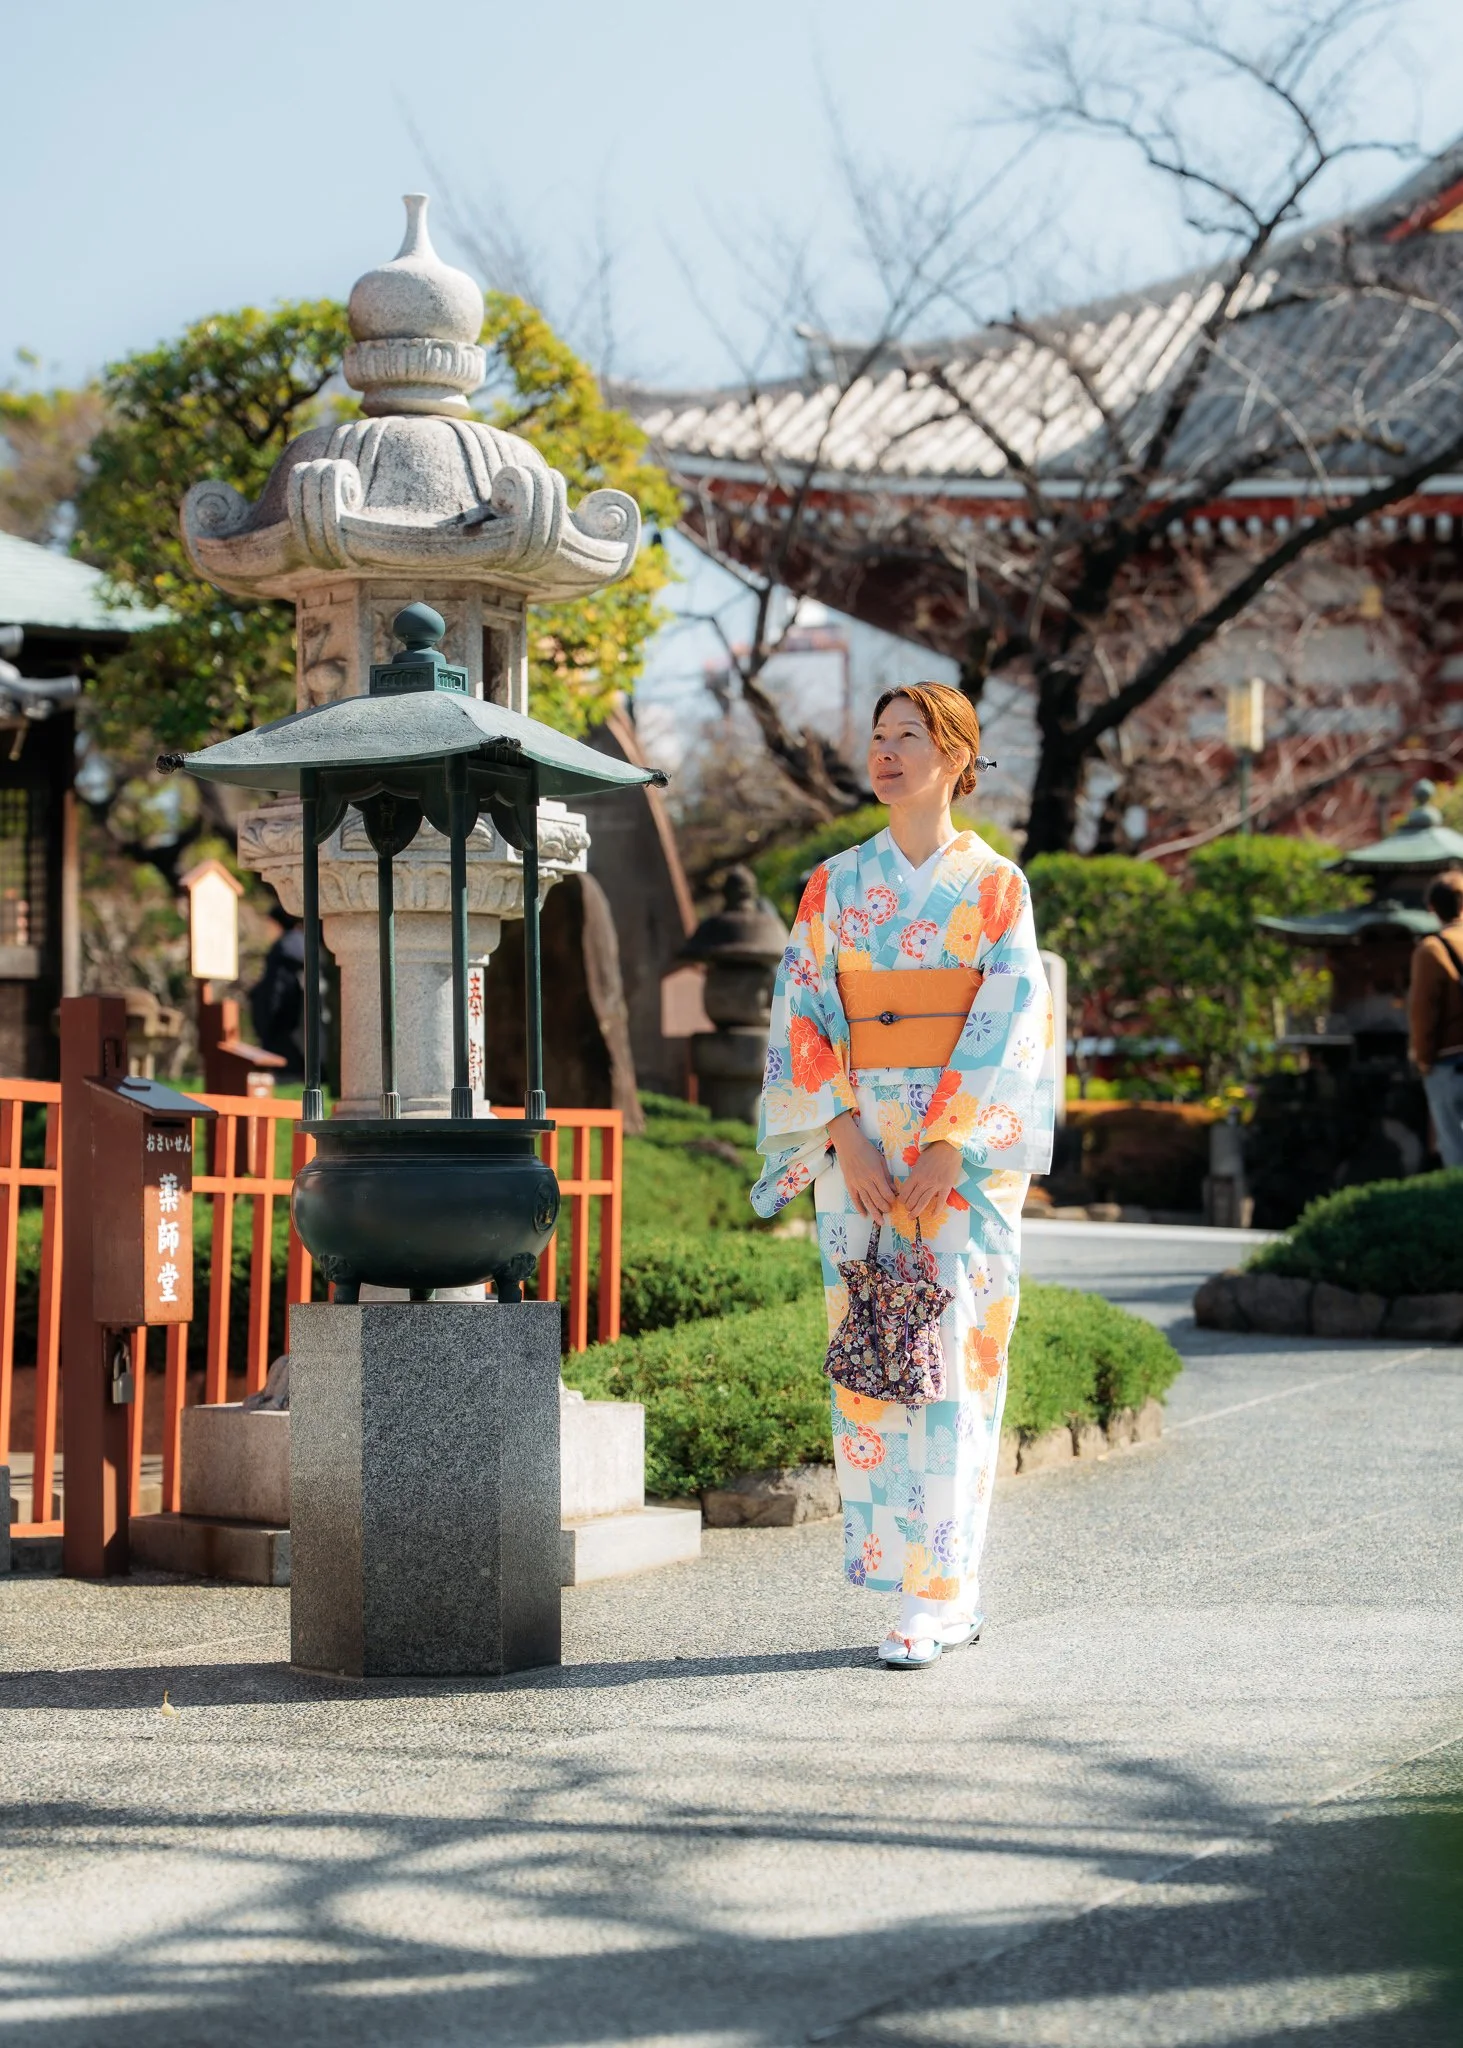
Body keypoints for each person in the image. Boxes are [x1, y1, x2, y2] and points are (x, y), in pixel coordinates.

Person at [753, 683, 1055, 1669]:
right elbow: (801, 1008)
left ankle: (943, 1590)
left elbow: (1012, 1016)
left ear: (955, 755)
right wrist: (839, 1130)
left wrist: (950, 1144)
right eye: (876, 737)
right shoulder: (831, 884)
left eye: (907, 737)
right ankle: (901, 1579)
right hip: (861, 1162)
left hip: (949, 1169)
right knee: (873, 1364)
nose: (884, 753)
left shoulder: (994, 884)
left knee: (953, 1364)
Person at [1409, 869, 1463, 1167]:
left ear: (1432, 908)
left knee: (1456, 1154)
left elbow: (1423, 1012)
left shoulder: (1432, 950)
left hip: (1450, 1064)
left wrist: (1424, 1059)